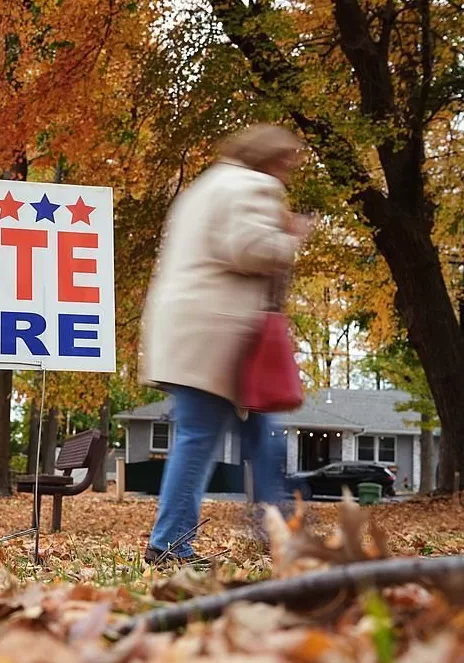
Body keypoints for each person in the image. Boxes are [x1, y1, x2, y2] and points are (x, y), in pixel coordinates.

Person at [139, 124, 311, 565]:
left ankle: (280, 532)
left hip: (190, 329)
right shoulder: (254, 185)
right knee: (206, 438)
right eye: (288, 163)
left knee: (259, 436)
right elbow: (246, 248)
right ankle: (173, 544)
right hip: (220, 335)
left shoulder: (205, 186)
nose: (290, 173)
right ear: (271, 159)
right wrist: (291, 237)